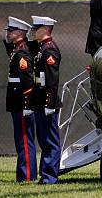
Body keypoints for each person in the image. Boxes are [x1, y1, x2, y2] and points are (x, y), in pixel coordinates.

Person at [3, 16, 37, 182]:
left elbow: (28, 81)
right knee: (21, 140)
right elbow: (8, 46)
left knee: (24, 140)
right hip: (16, 101)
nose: (8, 33)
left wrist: (27, 105)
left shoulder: (22, 51)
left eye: (11, 31)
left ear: (20, 33)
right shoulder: (17, 49)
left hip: (21, 102)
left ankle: (28, 175)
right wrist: (8, 38)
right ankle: (23, 175)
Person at [29, 16, 62, 184]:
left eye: (37, 28)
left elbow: (51, 80)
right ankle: (46, 174)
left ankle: (50, 177)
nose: (34, 31)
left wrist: (49, 103)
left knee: (50, 141)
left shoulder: (49, 50)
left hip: (46, 102)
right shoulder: (42, 48)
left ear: (45, 29)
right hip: (40, 101)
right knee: (44, 140)